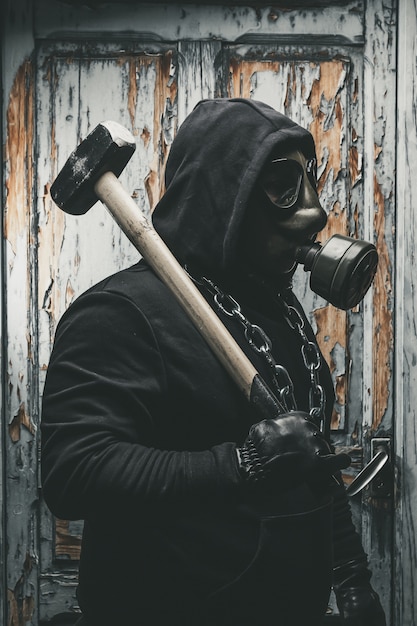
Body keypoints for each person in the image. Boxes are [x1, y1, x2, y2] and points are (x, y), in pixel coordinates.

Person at [41, 98, 386, 626]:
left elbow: (307, 463)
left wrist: (353, 576)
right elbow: (74, 472)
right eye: (282, 185)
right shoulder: (117, 313)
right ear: (222, 200)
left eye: (308, 180)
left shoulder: (275, 306)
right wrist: (243, 463)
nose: (314, 212)